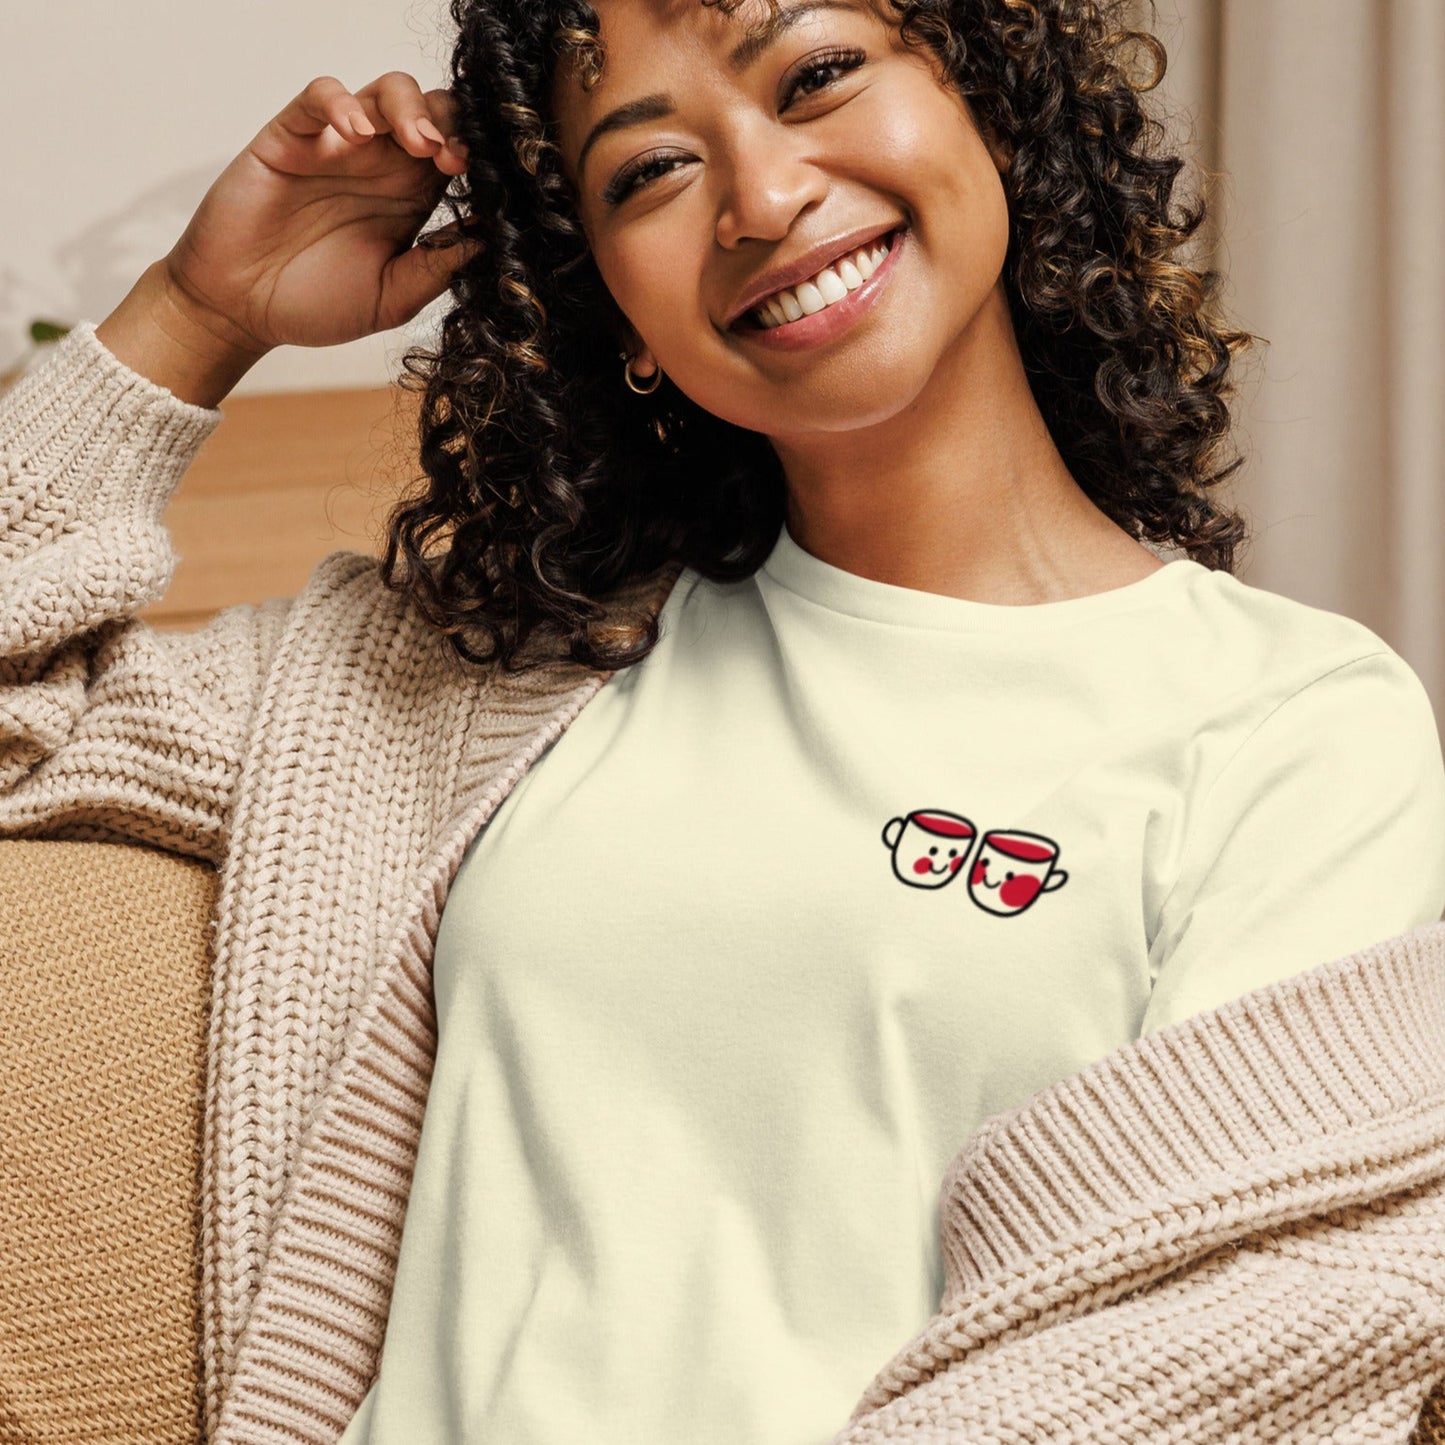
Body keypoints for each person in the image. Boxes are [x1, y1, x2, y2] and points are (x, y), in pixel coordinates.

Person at [4, 0, 1445, 1441]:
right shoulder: (470, 683)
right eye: (648, 174)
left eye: (816, 76)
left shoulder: (1289, 724)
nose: (759, 199)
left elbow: (1230, 1339)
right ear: (615, 314)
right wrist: (190, 317)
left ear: (988, 105)